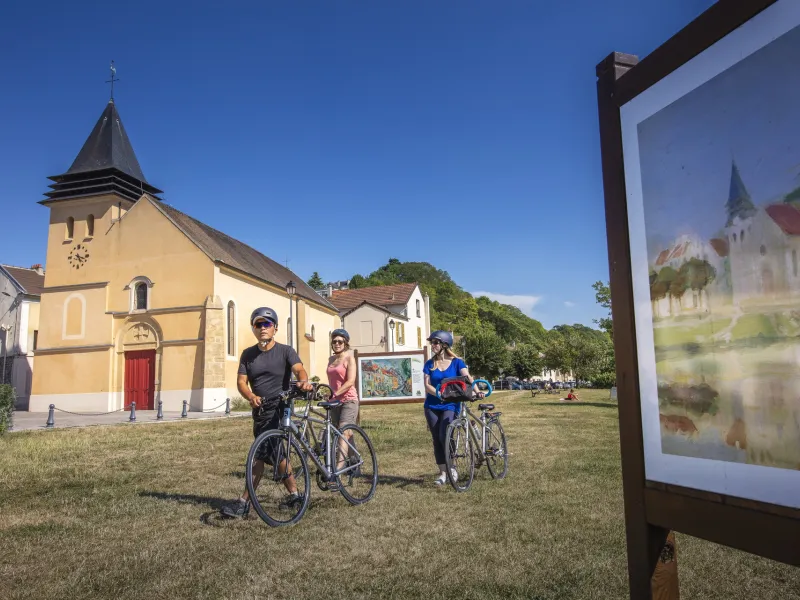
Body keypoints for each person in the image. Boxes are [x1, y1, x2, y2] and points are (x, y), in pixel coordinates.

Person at [221, 306, 313, 518]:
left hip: (280, 408)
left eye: (267, 324)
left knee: (262, 453)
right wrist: (250, 396)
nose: (263, 328)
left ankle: (244, 502)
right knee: (275, 452)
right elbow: (241, 382)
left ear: (275, 328)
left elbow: (298, 369)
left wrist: (304, 382)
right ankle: (294, 494)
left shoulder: (285, 351)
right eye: (258, 324)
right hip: (260, 410)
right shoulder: (248, 355)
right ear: (253, 329)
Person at [423, 330, 483, 486]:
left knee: (446, 434)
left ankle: (452, 468)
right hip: (432, 404)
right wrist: (438, 393)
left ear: (444, 345)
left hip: (451, 404)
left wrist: (477, 391)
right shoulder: (430, 364)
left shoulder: (457, 362)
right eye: (432, 343)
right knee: (436, 439)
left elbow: (468, 378)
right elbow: (427, 384)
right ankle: (443, 473)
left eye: (435, 343)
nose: (433, 346)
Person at [326, 329, 359, 474]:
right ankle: (355, 462)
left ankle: (339, 468)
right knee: (346, 434)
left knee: (343, 432)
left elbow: (350, 381)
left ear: (345, 343)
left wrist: (335, 393)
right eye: (334, 341)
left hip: (349, 400)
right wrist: (328, 393)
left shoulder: (349, 359)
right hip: (335, 401)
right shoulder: (331, 360)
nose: (337, 344)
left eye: (340, 341)